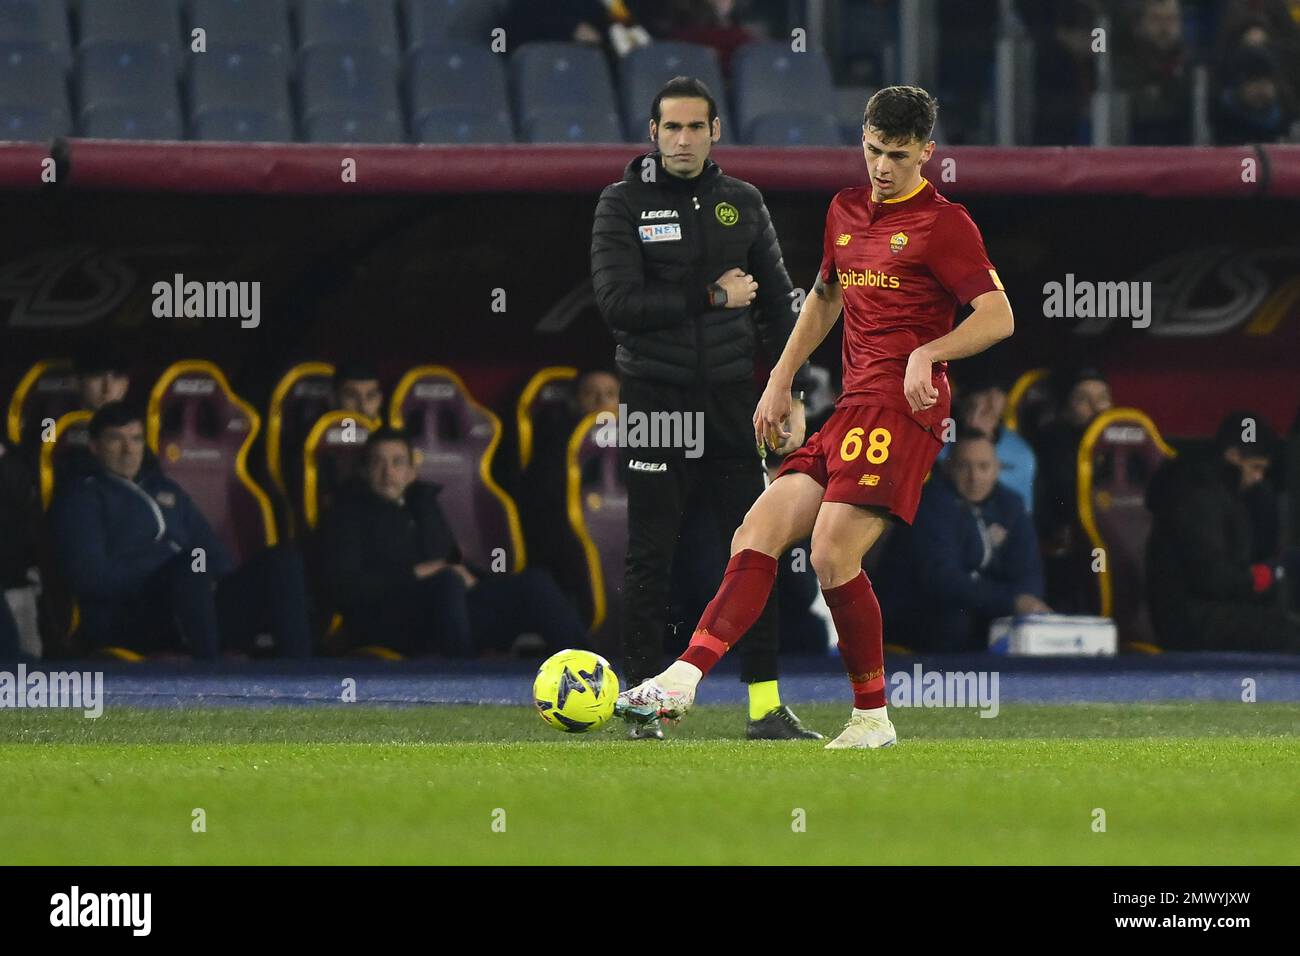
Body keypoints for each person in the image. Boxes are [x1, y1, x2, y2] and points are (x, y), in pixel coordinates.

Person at [613, 85, 1015, 748]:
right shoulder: (846, 209)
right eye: (873, 150)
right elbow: (826, 297)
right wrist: (779, 379)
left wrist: (929, 352)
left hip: (904, 410)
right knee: (758, 528)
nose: (882, 167)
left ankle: (871, 718)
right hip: (852, 405)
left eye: (898, 155)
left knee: (831, 552)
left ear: (927, 155)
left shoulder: (946, 225)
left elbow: (998, 316)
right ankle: (681, 681)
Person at [591, 75, 820, 740]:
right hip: (655, 399)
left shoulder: (742, 203)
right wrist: (713, 298)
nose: (684, 139)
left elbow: (780, 303)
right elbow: (618, 306)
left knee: (758, 547)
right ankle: (641, 708)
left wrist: (792, 393)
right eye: (672, 128)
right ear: (653, 133)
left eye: (696, 127)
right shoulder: (622, 203)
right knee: (651, 555)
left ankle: (765, 708)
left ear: (716, 132)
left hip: (730, 401)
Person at [50, 402, 311, 659]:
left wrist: (205, 583)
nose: (128, 450)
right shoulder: (81, 496)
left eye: (136, 439)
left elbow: (216, 554)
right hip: (136, 615)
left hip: (198, 604)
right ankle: (209, 681)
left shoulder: (163, 487)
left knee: (283, 562)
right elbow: (89, 576)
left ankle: (302, 678)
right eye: (115, 440)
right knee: (189, 566)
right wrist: (170, 568)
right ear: (94, 447)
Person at [317, 427, 589, 657]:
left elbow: (449, 559)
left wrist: (471, 576)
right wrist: (421, 573)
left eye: (398, 462)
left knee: (534, 583)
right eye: (378, 462)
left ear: (411, 471)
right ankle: (460, 686)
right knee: (446, 583)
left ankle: (588, 674)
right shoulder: (346, 513)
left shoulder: (424, 503)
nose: (388, 472)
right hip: (389, 617)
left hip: (451, 608)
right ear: (364, 471)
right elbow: (346, 588)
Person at [879, 432, 1048, 651]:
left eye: (983, 467)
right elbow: (943, 579)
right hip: (917, 613)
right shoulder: (929, 505)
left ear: (998, 469)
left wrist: (1026, 601)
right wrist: (1010, 601)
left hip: (981, 607)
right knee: (955, 620)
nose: (974, 477)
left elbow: (1029, 572)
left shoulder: (1011, 506)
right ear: (948, 468)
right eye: (964, 467)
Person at [1146, 412, 1300, 652]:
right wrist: (1263, 577)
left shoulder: (1225, 494)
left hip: (1204, 610)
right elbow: (1211, 577)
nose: (1258, 478)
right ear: (1233, 456)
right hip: (1186, 620)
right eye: (1255, 468)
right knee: (1287, 633)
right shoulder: (1197, 495)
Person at [1033, 365, 1113, 611]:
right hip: (1067, 564)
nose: (1097, 407)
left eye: (1102, 398)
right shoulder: (1048, 448)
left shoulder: (1126, 448)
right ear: (1065, 408)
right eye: (1083, 399)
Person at [936, 373, 1037, 514]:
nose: (990, 402)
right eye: (982, 394)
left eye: (998, 393)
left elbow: (1022, 515)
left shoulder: (1021, 454)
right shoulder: (936, 441)